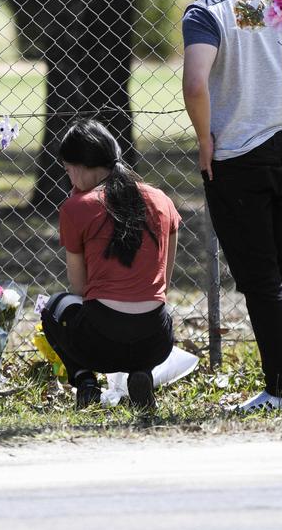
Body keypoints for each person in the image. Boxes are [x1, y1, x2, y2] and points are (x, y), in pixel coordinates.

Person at [174, 0, 282, 412]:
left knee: (261, 279)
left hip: (237, 156)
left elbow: (196, 82)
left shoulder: (204, 12)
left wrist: (203, 139)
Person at [41, 119, 181, 409]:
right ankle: (141, 373)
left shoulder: (77, 207)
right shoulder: (161, 200)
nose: (69, 178)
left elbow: (79, 288)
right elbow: (163, 282)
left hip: (98, 342)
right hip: (155, 340)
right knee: (149, 312)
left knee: (54, 307)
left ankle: (86, 382)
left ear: (79, 165)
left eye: (68, 170)